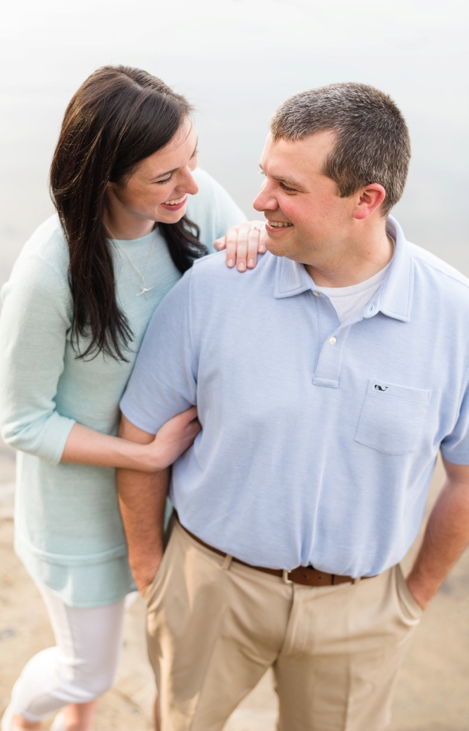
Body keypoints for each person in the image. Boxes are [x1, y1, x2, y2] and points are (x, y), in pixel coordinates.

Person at [118, 82, 469, 730]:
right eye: (264, 176)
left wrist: (412, 595)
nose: (258, 201)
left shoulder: (457, 318)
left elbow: (466, 478)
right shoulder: (214, 289)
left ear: (366, 201)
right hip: (210, 589)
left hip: (359, 614)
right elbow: (138, 436)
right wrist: (152, 572)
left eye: (288, 187)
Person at [0, 66, 255, 731]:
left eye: (192, 160)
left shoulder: (193, 201)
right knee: (87, 667)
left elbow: (259, 261)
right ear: (106, 179)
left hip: (177, 490)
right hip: (78, 514)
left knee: (142, 655)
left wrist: (256, 238)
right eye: (166, 176)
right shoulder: (47, 275)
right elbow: (21, 420)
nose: (191, 185)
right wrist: (141, 457)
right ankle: (17, 717)